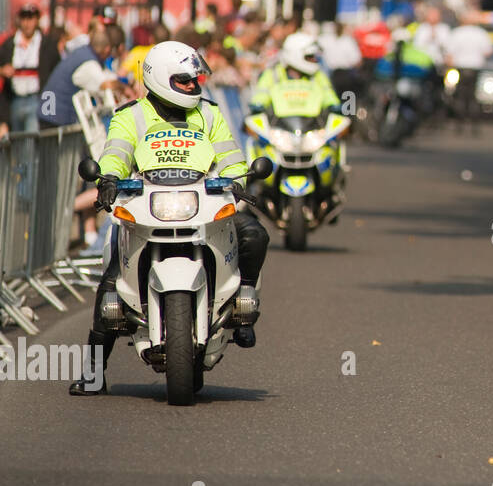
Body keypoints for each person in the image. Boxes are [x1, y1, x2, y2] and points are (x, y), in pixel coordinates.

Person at [69, 42, 269, 395]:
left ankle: (240, 311)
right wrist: (108, 179)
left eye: (196, 80)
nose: (194, 86)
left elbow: (232, 158)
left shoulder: (209, 114)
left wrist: (238, 181)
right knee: (111, 287)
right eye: (185, 80)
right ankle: (92, 373)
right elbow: (115, 152)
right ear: (160, 79)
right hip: (146, 207)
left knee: (254, 235)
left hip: (203, 204)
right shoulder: (131, 115)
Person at [38, 24, 128, 128]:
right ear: (107, 49)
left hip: (50, 111)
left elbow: (106, 75)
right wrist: (124, 88)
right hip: (53, 117)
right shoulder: (88, 64)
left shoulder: (84, 52)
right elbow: (105, 84)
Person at [0, 3, 62, 134]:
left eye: (31, 18)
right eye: (24, 18)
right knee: (15, 143)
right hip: (15, 100)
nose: (27, 23)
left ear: (37, 20)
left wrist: (50, 109)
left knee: (31, 141)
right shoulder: (9, 44)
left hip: (37, 100)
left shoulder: (47, 44)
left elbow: (56, 75)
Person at [248, 33, 342, 115]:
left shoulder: (318, 75)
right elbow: (261, 95)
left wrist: (333, 106)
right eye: (309, 56)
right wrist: (258, 105)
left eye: (314, 56)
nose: (314, 60)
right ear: (295, 54)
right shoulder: (273, 74)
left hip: (312, 126)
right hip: (280, 127)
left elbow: (329, 95)